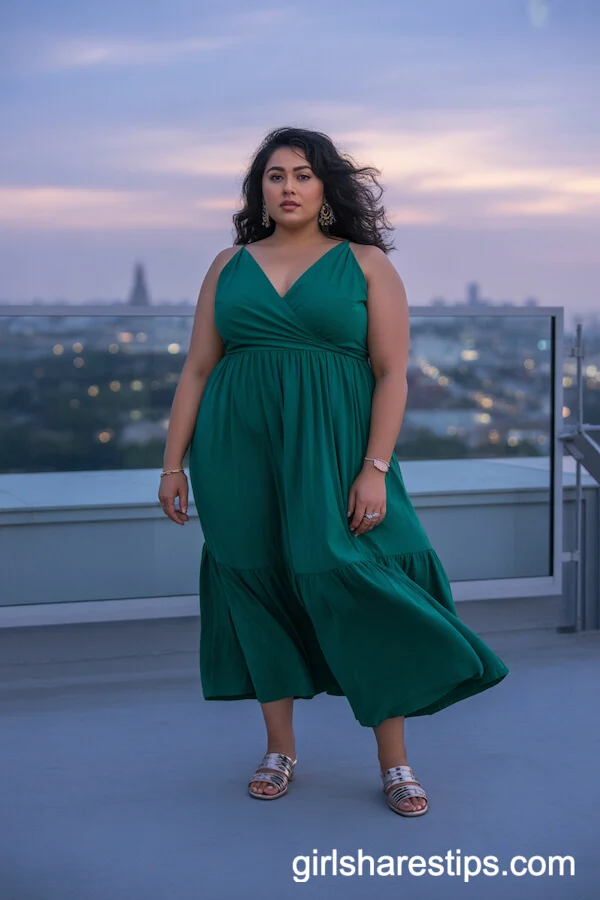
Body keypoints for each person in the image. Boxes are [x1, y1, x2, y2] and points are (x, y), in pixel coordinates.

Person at [158, 126, 509, 817]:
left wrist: (374, 468)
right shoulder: (228, 266)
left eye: (303, 174)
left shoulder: (366, 263)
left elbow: (391, 373)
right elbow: (198, 368)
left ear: (325, 189)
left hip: (336, 449)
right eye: (274, 175)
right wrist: (173, 463)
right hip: (236, 451)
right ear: (259, 190)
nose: (287, 187)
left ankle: (395, 759)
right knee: (255, 582)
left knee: (357, 580)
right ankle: (279, 749)